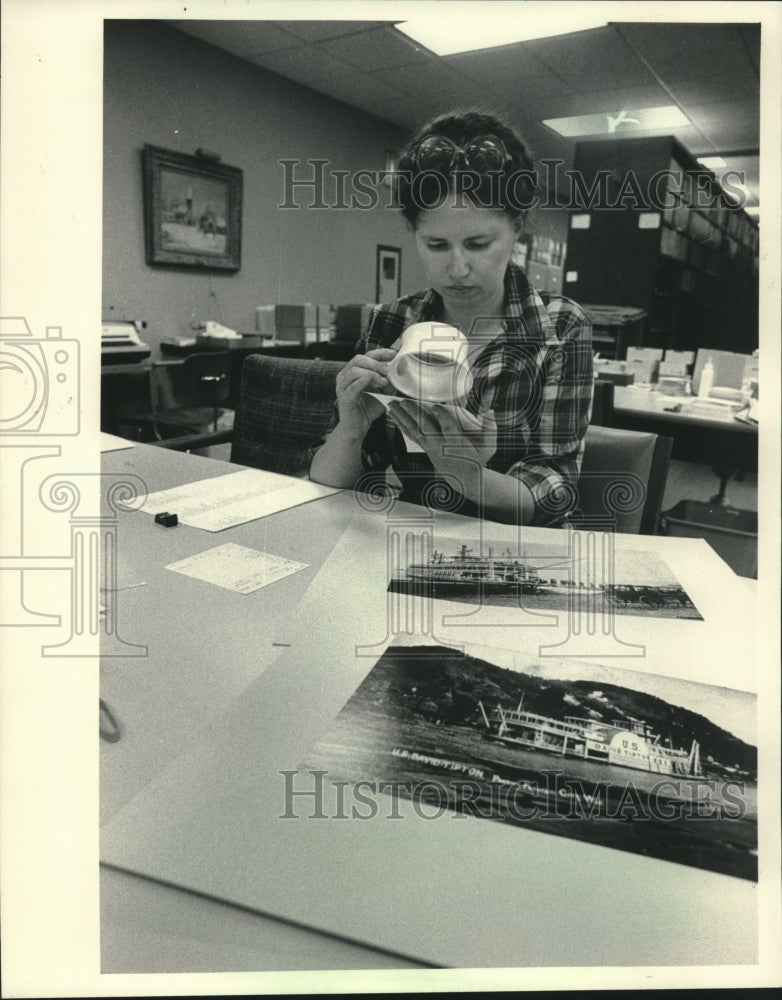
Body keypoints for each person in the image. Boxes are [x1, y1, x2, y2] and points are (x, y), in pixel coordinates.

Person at [309, 109, 593, 525]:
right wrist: (349, 428)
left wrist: (467, 475)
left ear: (516, 228)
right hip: (411, 536)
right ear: (414, 235)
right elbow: (329, 483)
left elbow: (554, 493)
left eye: (478, 243)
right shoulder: (391, 322)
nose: (458, 268)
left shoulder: (560, 327)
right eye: (437, 244)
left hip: (515, 547)